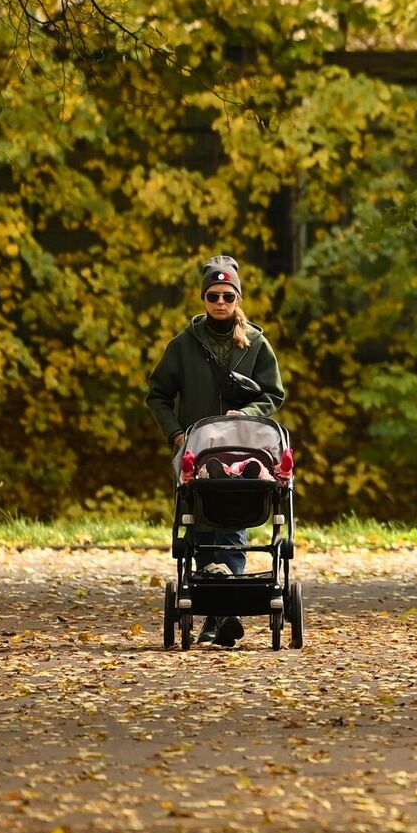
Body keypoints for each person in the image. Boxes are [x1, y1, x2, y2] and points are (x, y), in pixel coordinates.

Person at [145, 255, 286, 647]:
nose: (220, 302)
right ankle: (218, 610)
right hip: (195, 450)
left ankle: (223, 612)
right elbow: (157, 394)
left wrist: (247, 413)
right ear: (204, 298)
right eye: (213, 295)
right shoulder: (184, 345)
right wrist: (175, 433)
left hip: (240, 450)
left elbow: (273, 394)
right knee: (198, 521)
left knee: (232, 517)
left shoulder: (256, 344)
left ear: (237, 298)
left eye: (228, 295)